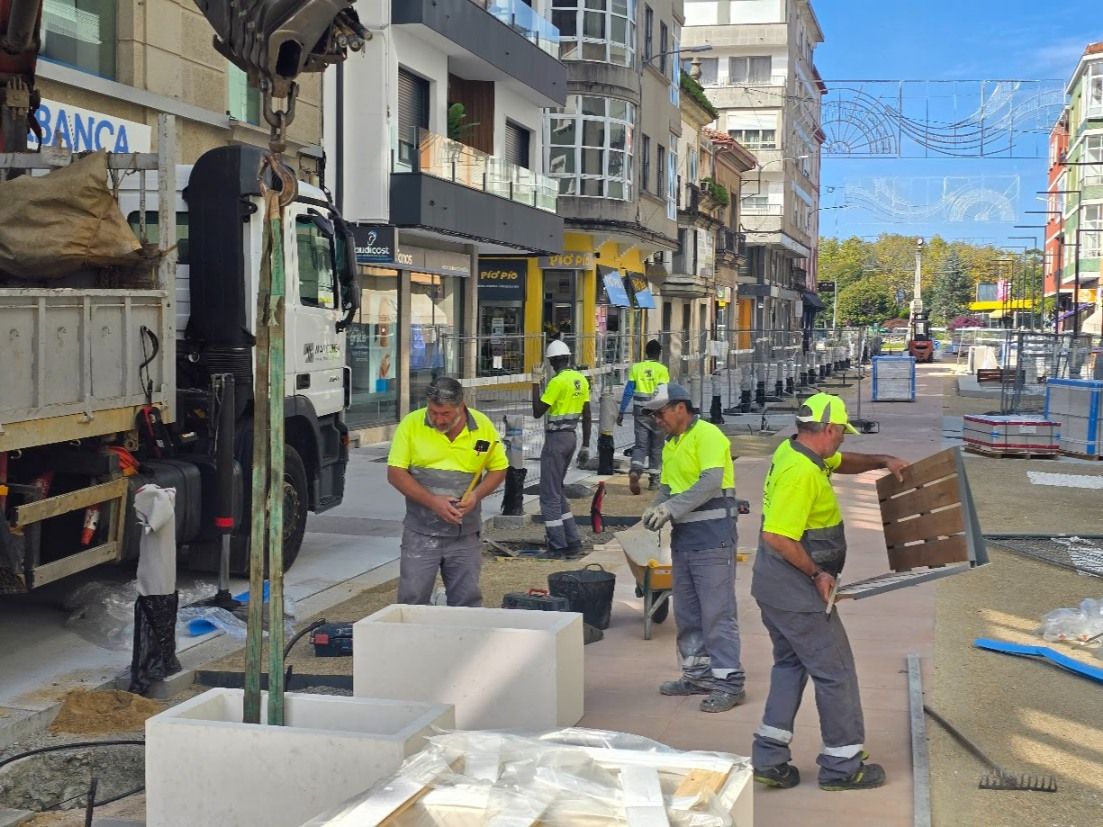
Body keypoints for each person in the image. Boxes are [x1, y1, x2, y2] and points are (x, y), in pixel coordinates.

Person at [751, 392, 907, 792]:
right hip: (794, 588)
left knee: (790, 665)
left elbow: (844, 462)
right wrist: (818, 572)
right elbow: (778, 536)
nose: (843, 442)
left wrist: (882, 460)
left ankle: (769, 757)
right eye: (842, 434)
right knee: (835, 671)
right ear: (830, 429)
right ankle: (842, 766)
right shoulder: (800, 473)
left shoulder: (798, 451)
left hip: (774, 585)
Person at [639, 383, 746, 714]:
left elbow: (711, 482)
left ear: (680, 408)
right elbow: (670, 487)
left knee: (717, 613)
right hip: (685, 540)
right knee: (687, 613)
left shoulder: (708, 435)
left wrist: (669, 509)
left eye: (661, 412)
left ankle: (729, 682)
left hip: (713, 537)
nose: (657, 420)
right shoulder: (673, 444)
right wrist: (655, 506)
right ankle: (697, 674)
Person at [386, 376, 507, 607]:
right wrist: (433, 502)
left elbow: (499, 470)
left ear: (461, 407)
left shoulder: (483, 426)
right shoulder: (412, 424)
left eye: (446, 414)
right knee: (412, 600)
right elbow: (395, 474)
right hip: (421, 533)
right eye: (433, 412)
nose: (438, 420)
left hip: (465, 534)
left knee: (467, 601)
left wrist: (476, 495)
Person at [532, 339, 591, 558]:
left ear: (551, 362)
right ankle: (573, 541)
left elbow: (538, 411)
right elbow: (587, 414)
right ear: (567, 357)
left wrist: (534, 383)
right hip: (571, 438)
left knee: (549, 494)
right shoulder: (580, 380)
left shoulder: (557, 382)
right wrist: (585, 444)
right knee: (558, 491)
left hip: (556, 440)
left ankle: (557, 545)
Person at [617, 339, 671, 494]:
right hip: (658, 413)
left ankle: (636, 470)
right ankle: (654, 480)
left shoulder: (637, 368)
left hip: (640, 412)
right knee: (657, 446)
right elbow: (663, 393)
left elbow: (628, 391)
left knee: (640, 445)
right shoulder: (662, 369)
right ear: (659, 353)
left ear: (646, 352)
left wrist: (621, 411)